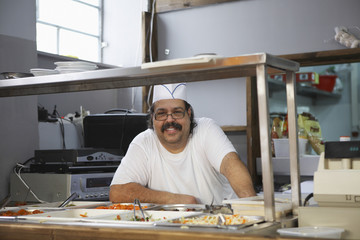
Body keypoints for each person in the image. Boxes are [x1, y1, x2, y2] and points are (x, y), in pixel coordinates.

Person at [109, 83, 256, 204]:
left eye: (177, 112)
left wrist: (253, 206)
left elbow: (230, 165)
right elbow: (117, 192)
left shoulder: (206, 129)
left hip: (220, 223)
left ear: (189, 113)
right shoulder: (144, 142)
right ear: (152, 117)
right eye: (161, 113)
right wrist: (176, 200)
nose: (170, 120)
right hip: (167, 228)